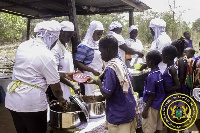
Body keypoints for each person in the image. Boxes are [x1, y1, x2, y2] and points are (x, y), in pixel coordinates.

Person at [5, 20, 67, 133]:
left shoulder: (24, 45)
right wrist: (61, 99)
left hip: (13, 99)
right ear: (52, 37)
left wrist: (65, 74)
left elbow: (32, 70)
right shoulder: (46, 55)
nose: (54, 43)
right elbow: (56, 88)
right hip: (30, 103)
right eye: (55, 40)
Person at [86, 35, 137, 133]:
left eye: (101, 52)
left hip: (118, 116)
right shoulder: (119, 62)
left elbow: (107, 94)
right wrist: (95, 80)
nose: (101, 55)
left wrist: (99, 83)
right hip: (128, 111)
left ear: (108, 50)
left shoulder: (110, 69)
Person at [50, 21, 80, 102]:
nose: (69, 38)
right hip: (58, 88)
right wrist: (72, 85)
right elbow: (55, 73)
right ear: (61, 32)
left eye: (71, 35)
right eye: (68, 35)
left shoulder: (65, 46)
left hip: (67, 85)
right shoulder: (55, 49)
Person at [75, 20, 104, 95]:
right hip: (88, 76)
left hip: (99, 75)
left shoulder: (98, 45)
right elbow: (78, 62)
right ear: (92, 31)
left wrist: (104, 67)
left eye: (101, 34)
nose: (99, 36)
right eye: (98, 34)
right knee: (90, 97)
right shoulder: (84, 46)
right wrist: (92, 70)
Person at [142, 50, 165, 133]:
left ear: (151, 62)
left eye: (146, 60)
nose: (146, 62)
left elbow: (151, 95)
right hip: (158, 105)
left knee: (149, 128)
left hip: (151, 106)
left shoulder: (151, 77)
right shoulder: (159, 73)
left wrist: (145, 109)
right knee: (157, 127)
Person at [162, 45, 180, 133]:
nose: (161, 57)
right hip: (170, 97)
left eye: (162, 55)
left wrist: (165, 90)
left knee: (171, 120)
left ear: (166, 57)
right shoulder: (170, 67)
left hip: (171, 97)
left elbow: (177, 85)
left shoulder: (172, 69)